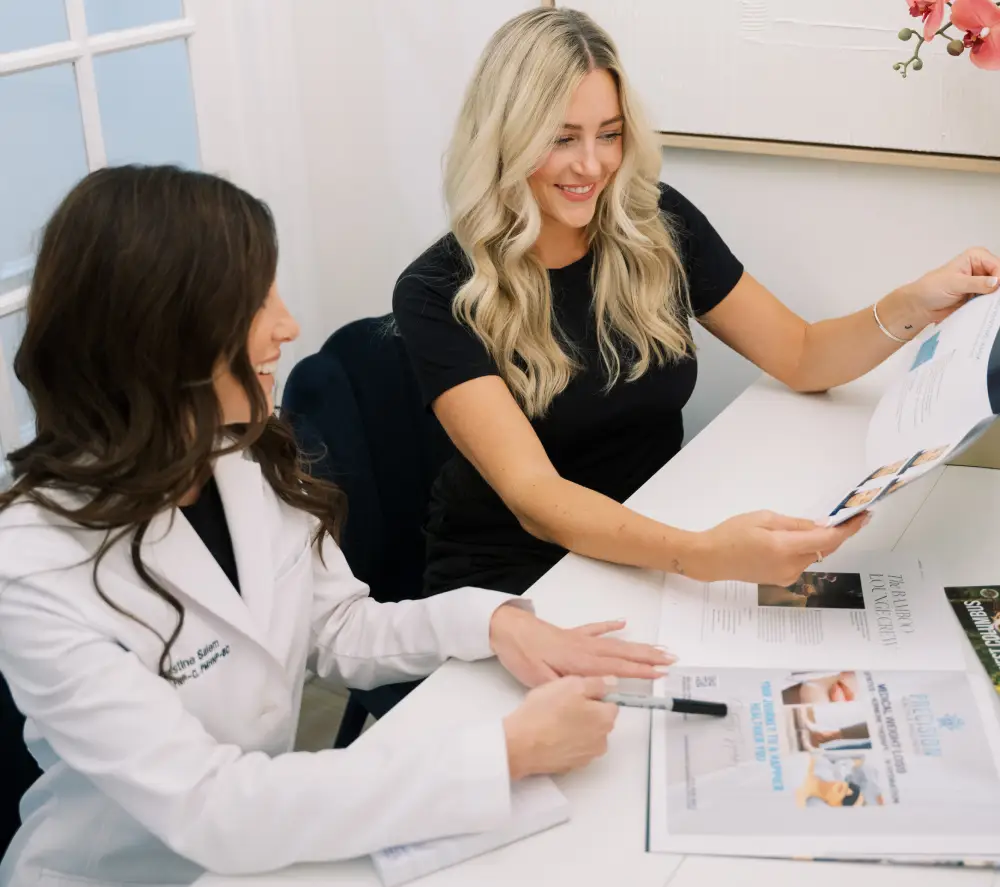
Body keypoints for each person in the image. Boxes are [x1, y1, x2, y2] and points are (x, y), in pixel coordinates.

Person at [0, 166, 676, 887]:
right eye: (256, 303)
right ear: (163, 334)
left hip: (269, 851)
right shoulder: (34, 568)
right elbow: (211, 806)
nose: (288, 326)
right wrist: (502, 754)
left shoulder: (239, 454)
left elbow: (338, 630)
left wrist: (494, 624)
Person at [392, 7, 1000, 599]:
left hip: (656, 540)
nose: (592, 164)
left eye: (609, 134)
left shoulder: (656, 224)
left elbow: (800, 355)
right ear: (505, 139)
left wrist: (916, 302)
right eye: (561, 139)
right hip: (517, 576)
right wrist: (705, 556)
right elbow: (536, 499)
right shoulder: (437, 291)